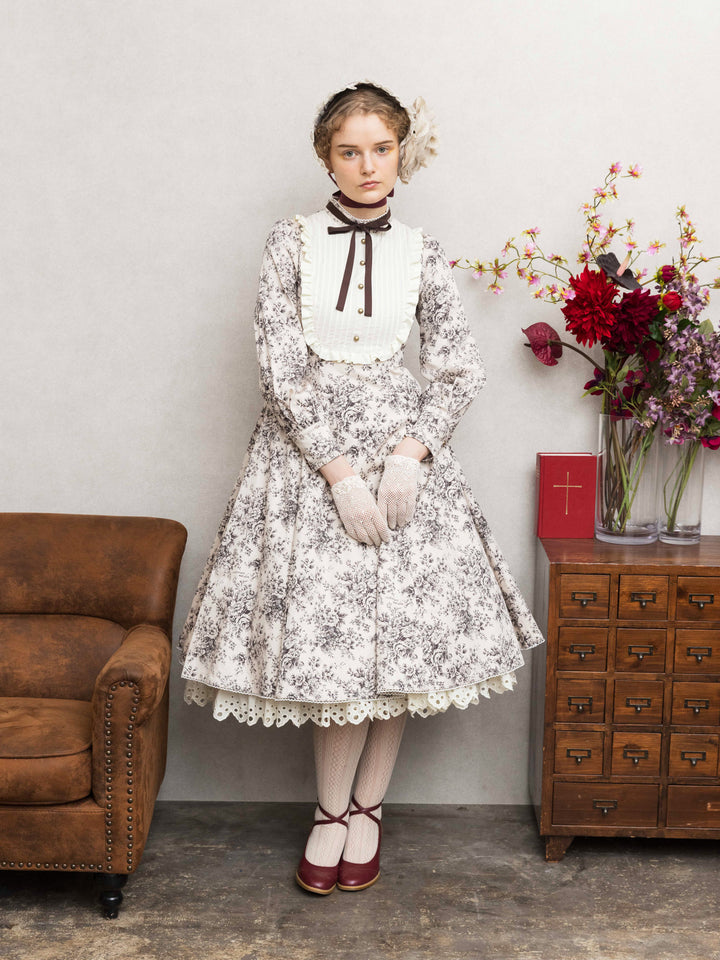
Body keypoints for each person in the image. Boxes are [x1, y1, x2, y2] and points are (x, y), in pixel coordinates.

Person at [179, 82, 544, 895]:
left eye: (381, 149)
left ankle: (368, 810)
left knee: (399, 640)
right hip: (309, 463)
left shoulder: (423, 249)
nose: (368, 165)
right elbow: (279, 366)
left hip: (403, 458)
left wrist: (412, 454)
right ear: (327, 158)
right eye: (350, 150)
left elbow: (457, 365)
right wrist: (337, 472)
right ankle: (329, 813)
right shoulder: (290, 241)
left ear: (402, 154)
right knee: (334, 645)